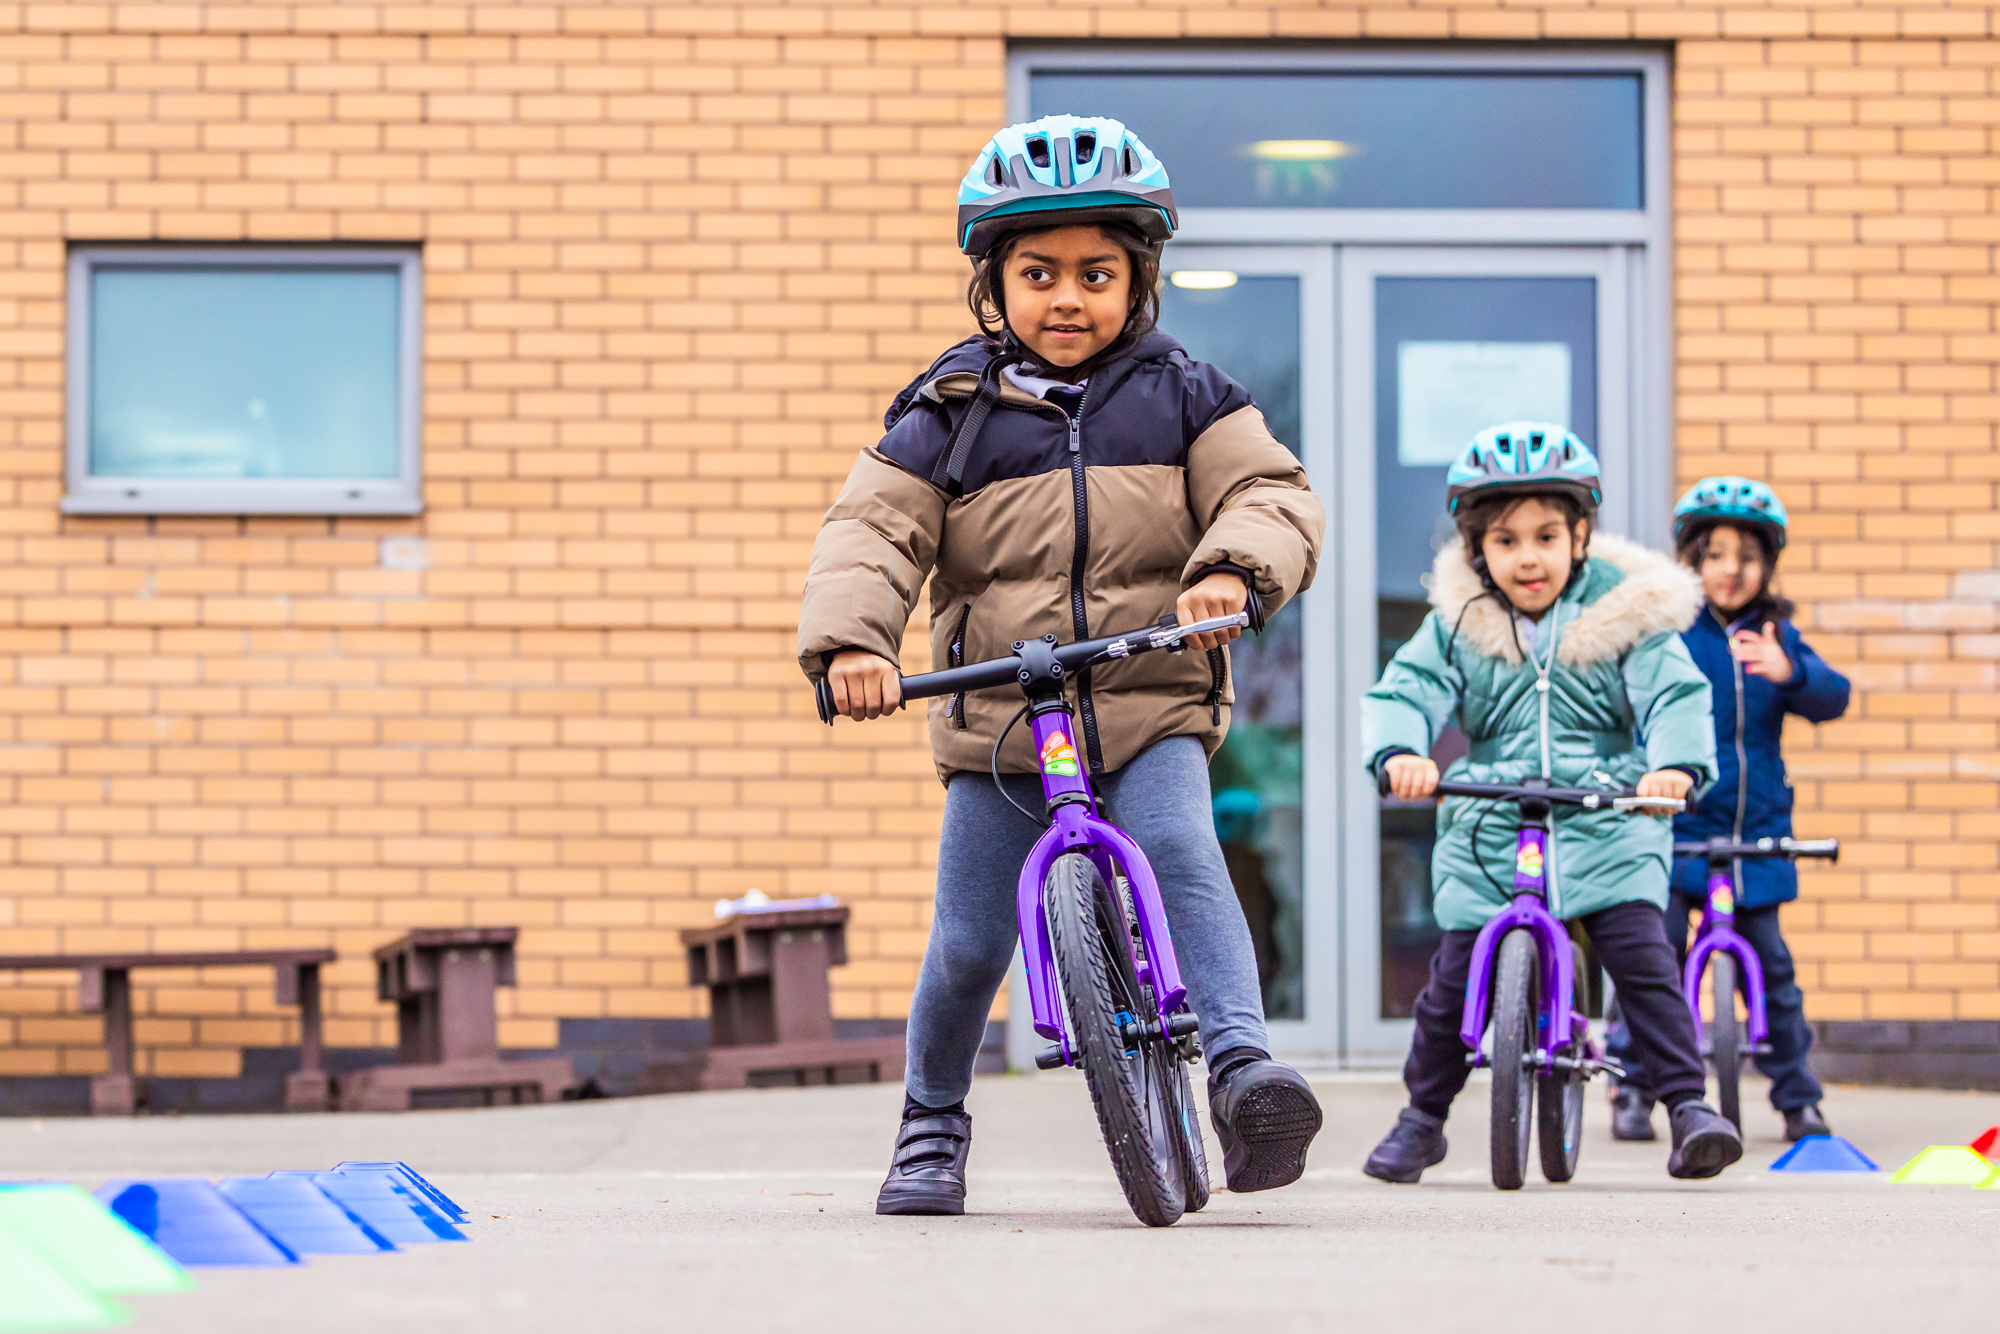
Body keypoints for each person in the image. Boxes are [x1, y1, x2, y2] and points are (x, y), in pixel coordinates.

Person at [796, 114, 1327, 1216]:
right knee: (969, 937)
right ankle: (931, 1122)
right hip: (997, 715)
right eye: (1038, 273)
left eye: (1097, 272)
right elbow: (871, 532)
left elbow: (1268, 493)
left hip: (1145, 699)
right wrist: (853, 639)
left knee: (1183, 844)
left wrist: (1231, 569)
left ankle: (1239, 1072)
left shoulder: (1187, 392)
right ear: (994, 285)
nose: (1068, 298)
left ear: (1140, 281)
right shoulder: (946, 410)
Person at [1359, 423, 1746, 1183]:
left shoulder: (1627, 614)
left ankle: (1689, 1106)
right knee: (1452, 980)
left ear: (1581, 535)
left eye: (1545, 536)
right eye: (1505, 541)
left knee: (1642, 957)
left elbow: (1673, 695)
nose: (1527, 557)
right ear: (1479, 551)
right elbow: (1406, 689)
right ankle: (1422, 1119)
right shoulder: (1460, 622)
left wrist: (1671, 769)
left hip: (1606, 809)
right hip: (1492, 814)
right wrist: (1402, 752)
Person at [1605, 478, 1850, 1143]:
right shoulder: (1671, 632)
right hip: (1675, 834)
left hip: (1755, 837)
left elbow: (1834, 698)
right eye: (1714, 554)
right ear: (1690, 560)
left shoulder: (1776, 635)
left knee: (1774, 973)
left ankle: (1798, 1099)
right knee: (1654, 958)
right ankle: (1633, 1084)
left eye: (1746, 556)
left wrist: (1790, 671)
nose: (1731, 570)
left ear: (1766, 566)